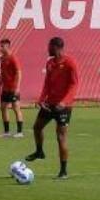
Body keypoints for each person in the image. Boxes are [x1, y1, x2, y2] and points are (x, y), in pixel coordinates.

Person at [24, 37, 78, 180]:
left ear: (56, 47)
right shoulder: (50, 63)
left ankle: (63, 171)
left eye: (49, 46)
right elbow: (47, 84)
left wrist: (65, 102)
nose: (47, 49)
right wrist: (41, 99)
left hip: (63, 107)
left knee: (61, 137)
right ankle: (39, 152)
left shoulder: (70, 63)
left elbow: (74, 85)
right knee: (37, 127)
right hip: (49, 104)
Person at [0, 39, 24, 139]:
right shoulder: (2, 58)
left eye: (2, 46)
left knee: (16, 108)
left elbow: (19, 73)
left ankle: (20, 132)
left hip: (13, 88)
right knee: (3, 108)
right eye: (1, 46)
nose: (1, 48)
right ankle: (6, 132)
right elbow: (2, 74)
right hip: (5, 89)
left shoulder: (13, 58)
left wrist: (17, 87)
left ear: (7, 46)